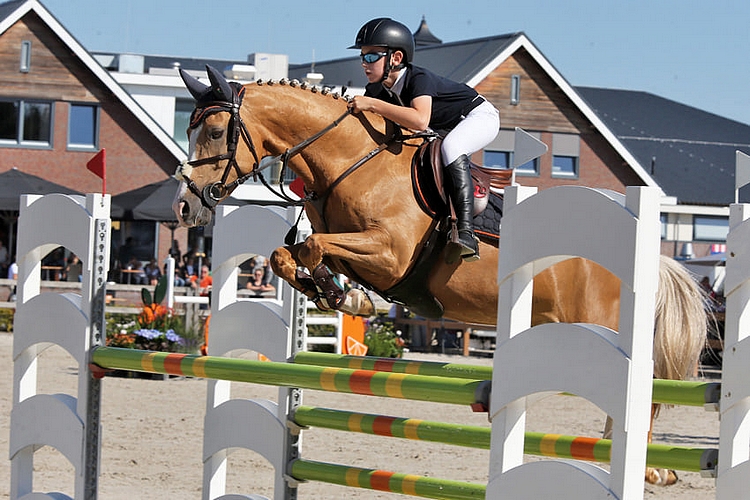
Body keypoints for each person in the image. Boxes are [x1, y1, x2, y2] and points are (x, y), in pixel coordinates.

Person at [348, 18, 500, 261]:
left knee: (453, 147)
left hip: (477, 117)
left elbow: (419, 120)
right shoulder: (376, 90)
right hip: (441, 128)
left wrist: (373, 105)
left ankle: (466, 232)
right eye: (362, 57)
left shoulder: (418, 78)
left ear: (395, 58)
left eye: (370, 57)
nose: (364, 64)